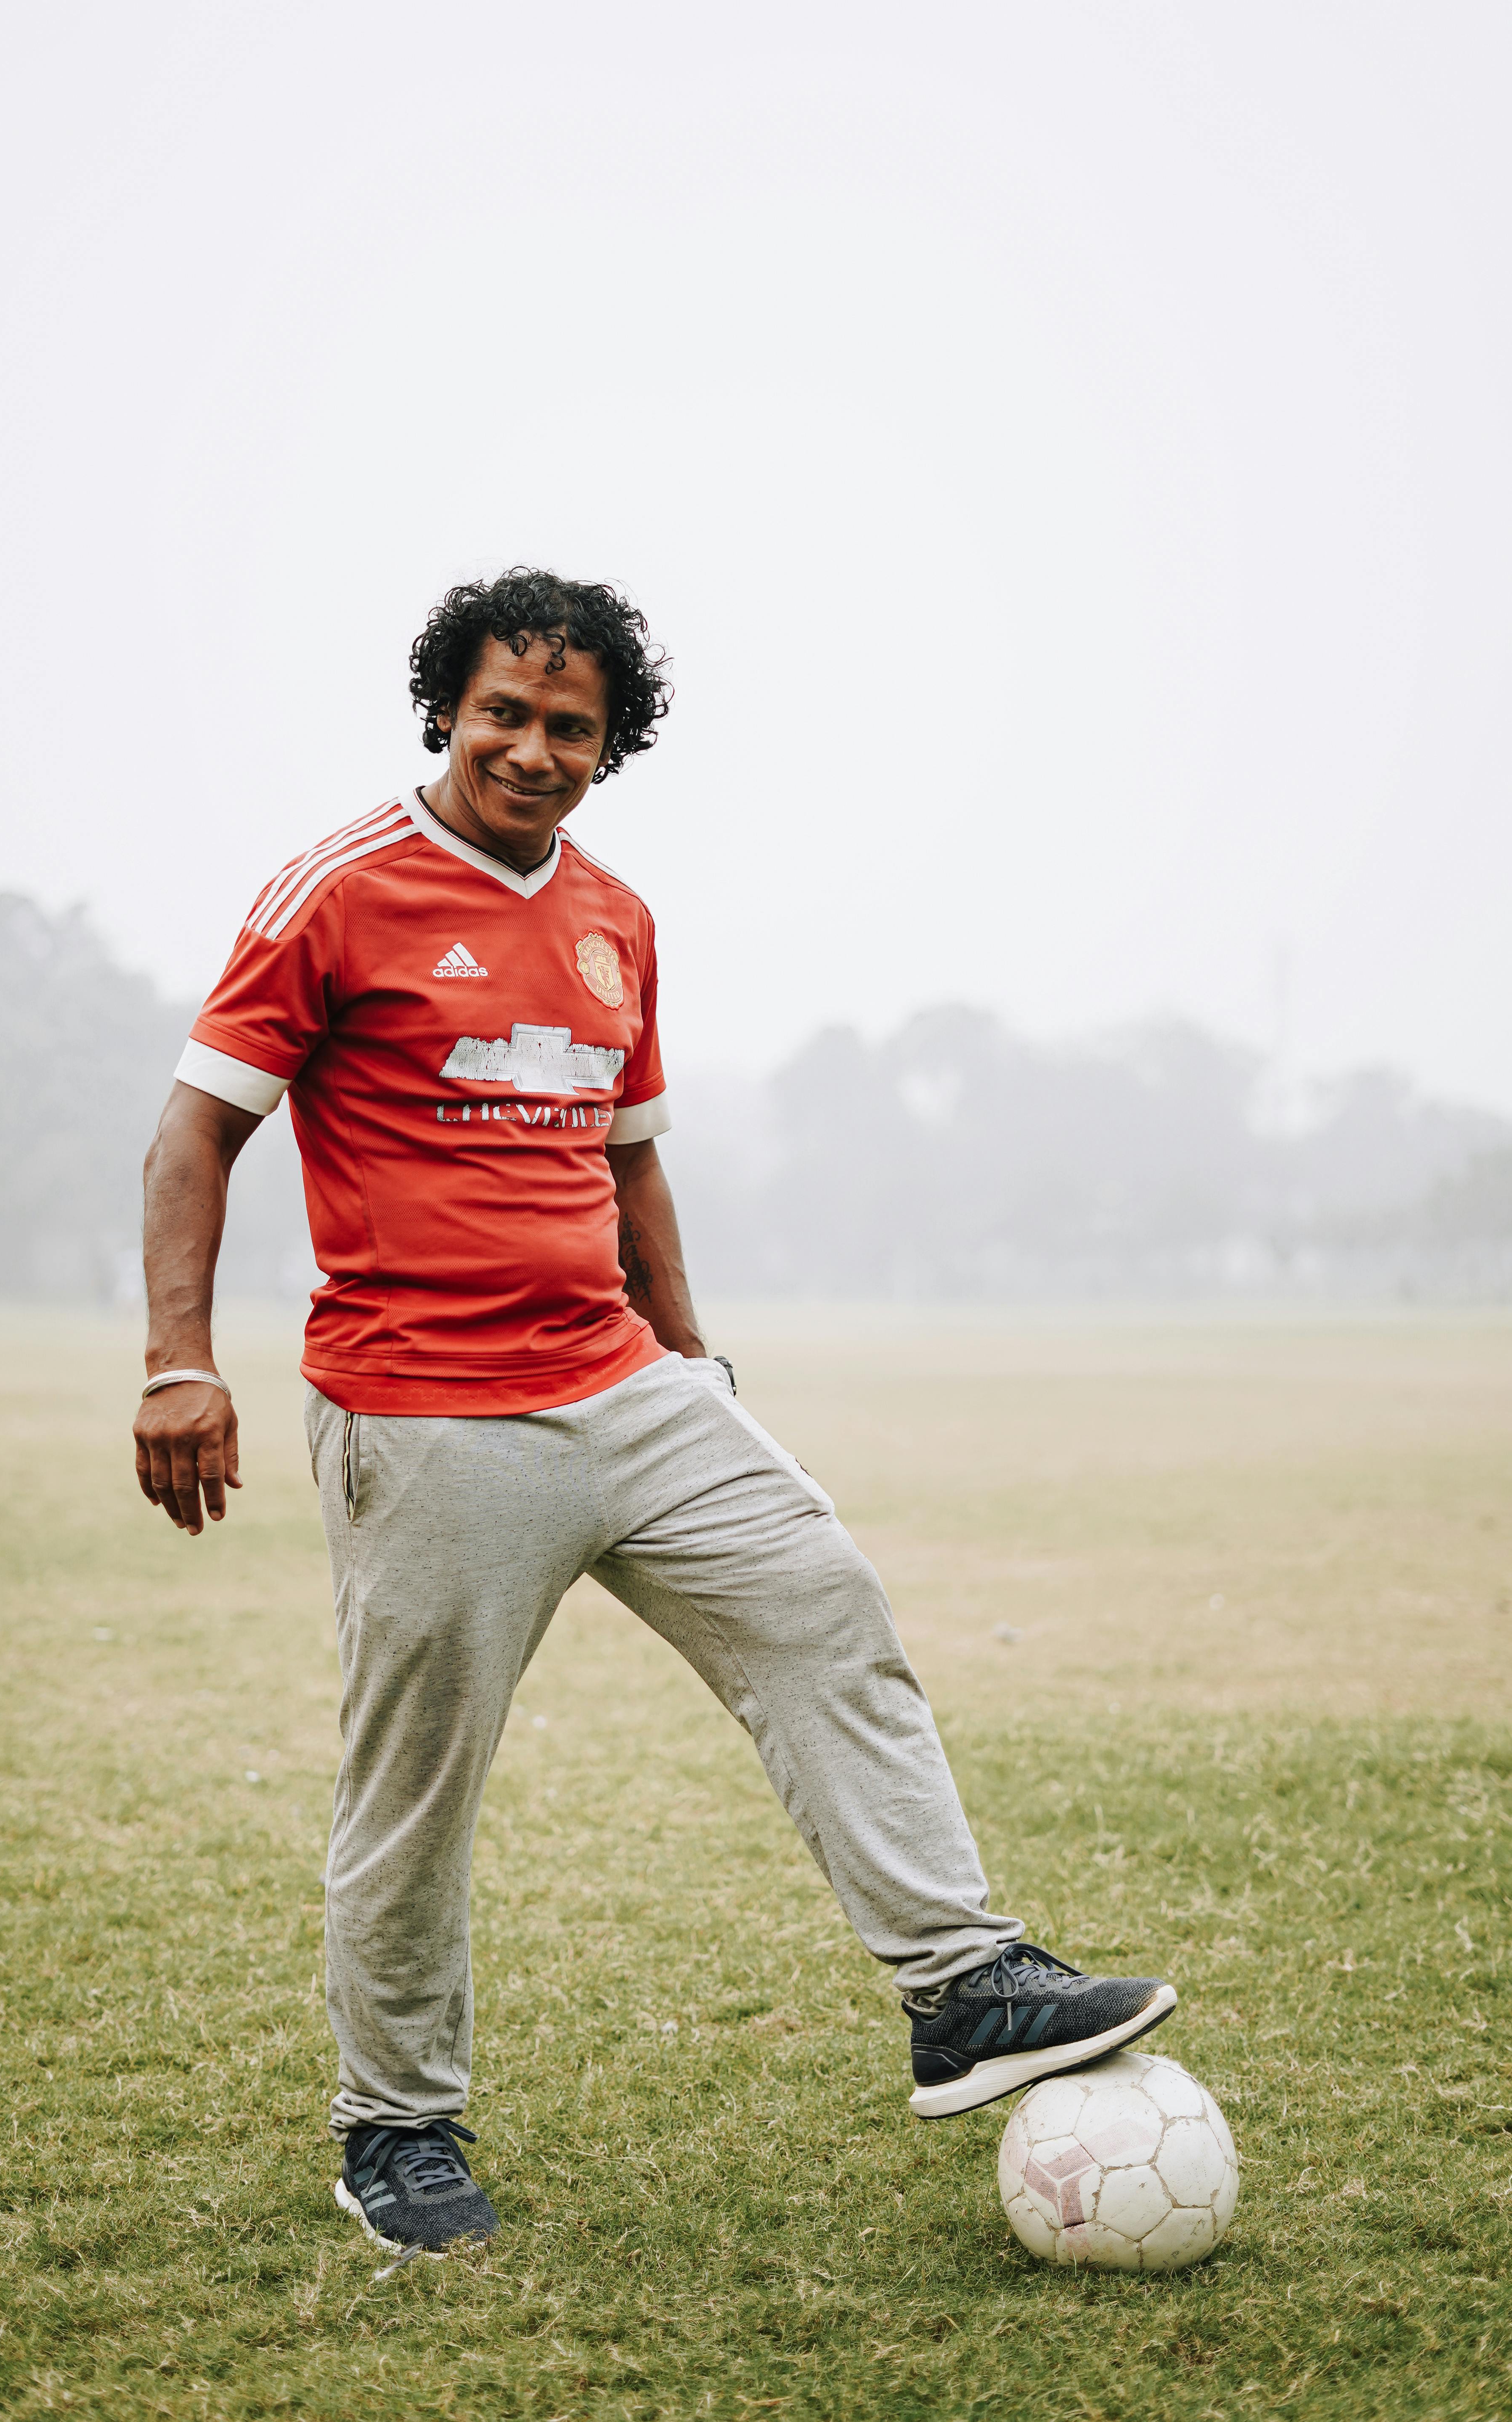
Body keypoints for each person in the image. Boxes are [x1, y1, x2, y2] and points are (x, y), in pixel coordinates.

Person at [133, 568, 1175, 2256]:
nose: (532, 751)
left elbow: (629, 1162)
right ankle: (395, 2126)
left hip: (624, 1382)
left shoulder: (617, 916)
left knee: (821, 1596)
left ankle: (960, 1985)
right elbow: (197, 1132)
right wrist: (181, 1360)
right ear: (445, 710)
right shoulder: (337, 890)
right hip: (429, 1413)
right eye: (503, 715)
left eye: (570, 728)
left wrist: (692, 1360)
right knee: (418, 1785)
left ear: (611, 746)